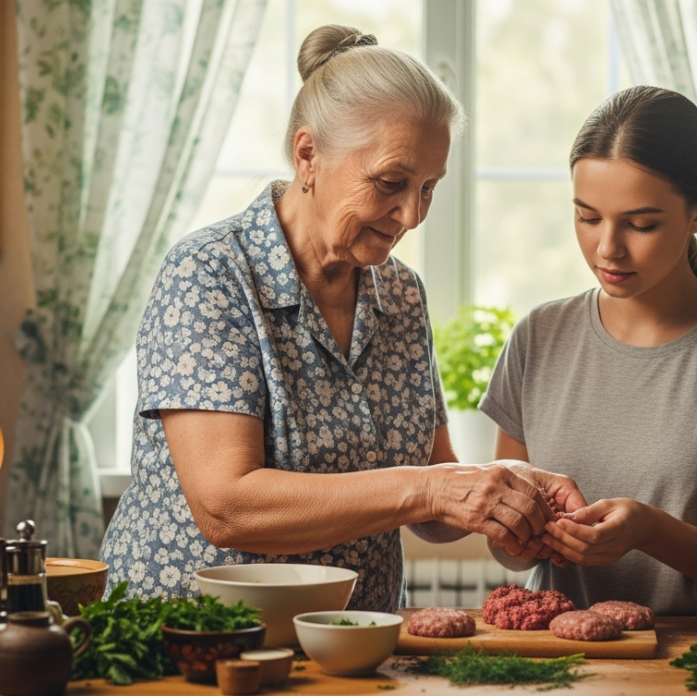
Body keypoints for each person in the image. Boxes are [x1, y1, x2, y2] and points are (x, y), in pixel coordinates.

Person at [99, 25, 581, 611]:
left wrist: (504, 486)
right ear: (308, 154)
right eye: (391, 182)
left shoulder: (402, 294)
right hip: (199, 638)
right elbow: (227, 506)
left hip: (356, 642)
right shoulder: (208, 274)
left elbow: (432, 488)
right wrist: (432, 489)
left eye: (429, 188)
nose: (412, 213)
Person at [479, 86, 697, 615]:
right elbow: (508, 556)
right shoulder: (537, 336)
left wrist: (649, 530)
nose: (607, 247)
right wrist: (517, 534)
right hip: (561, 666)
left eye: (641, 224)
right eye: (588, 217)